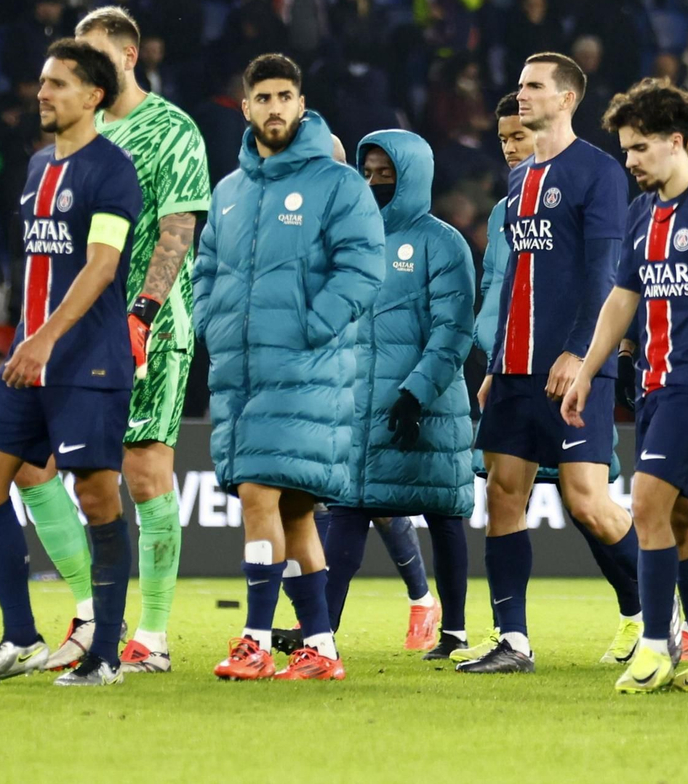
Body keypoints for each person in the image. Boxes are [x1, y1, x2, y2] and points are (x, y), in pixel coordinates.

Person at [11, 7, 210, 674]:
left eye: (95, 54)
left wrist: (143, 313)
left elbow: (177, 229)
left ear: (128, 56)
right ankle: (91, 613)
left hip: (151, 323)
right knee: (29, 463)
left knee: (144, 472)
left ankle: (151, 636)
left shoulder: (172, 129)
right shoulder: (78, 136)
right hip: (79, 326)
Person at [561, 84, 688, 693]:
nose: (629, 160)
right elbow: (620, 301)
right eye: (625, 149)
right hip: (653, 386)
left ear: (676, 142)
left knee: (647, 502)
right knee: (685, 516)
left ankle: (655, 646)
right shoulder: (640, 214)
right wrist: (586, 371)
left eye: (640, 148)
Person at [0, 39, 141, 687]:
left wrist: (46, 340)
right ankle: (20, 638)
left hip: (86, 360)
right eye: (42, 81)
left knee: (97, 497)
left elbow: (102, 265)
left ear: (93, 96)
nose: (43, 93)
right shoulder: (36, 166)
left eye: (58, 83)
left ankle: (105, 654)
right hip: (28, 356)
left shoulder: (112, 170)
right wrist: (28, 342)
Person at [192, 53, 382, 681]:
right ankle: (321, 647)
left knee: (258, 491)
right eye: (263, 98)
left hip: (305, 368)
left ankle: (253, 639)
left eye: (285, 96)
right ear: (245, 107)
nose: (274, 108)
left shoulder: (338, 183)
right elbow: (206, 269)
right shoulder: (229, 192)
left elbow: (363, 267)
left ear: (301, 104)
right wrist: (211, 323)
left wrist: (310, 326)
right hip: (242, 373)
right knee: (295, 511)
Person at [461, 53, 644, 675]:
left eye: (534, 86)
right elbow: (516, 278)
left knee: (587, 500)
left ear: (566, 99)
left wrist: (580, 352)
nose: (522, 94)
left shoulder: (598, 172)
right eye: (519, 85)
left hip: (575, 366)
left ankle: (663, 616)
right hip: (515, 369)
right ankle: (513, 641)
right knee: (503, 495)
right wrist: (496, 363)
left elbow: (606, 273)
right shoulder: (520, 180)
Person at [320, 131, 475, 660]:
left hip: (427, 410)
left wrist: (416, 394)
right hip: (359, 409)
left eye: (386, 173)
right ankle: (321, 635)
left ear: (413, 175)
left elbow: (454, 330)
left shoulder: (443, 242)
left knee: (443, 516)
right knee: (347, 511)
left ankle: (454, 632)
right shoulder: (350, 239)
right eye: (367, 172)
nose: (373, 182)